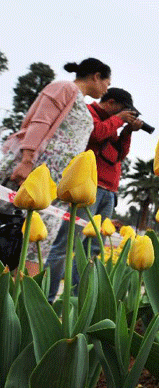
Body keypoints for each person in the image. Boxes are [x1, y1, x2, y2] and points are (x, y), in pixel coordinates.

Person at [0, 58, 112, 274]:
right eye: (107, 82)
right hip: (34, 176)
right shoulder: (64, 88)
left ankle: (18, 303)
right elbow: (40, 122)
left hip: (54, 191)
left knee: (36, 245)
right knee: (11, 232)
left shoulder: (81, 101)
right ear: (96, 76)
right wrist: (27, 160)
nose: (107, 89)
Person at [45, 88, 142, 303]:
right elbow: (95, 134)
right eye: (124, 110)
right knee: (67, 243)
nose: (125, 114)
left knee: (92, 248)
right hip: (87, 187)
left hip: (108, 190)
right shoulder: (89, 113)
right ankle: (48, 300)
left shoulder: (113, 126)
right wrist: (118, 120)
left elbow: (118, 155)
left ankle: (76, 300)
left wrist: (127, 132)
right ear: (110, 102)